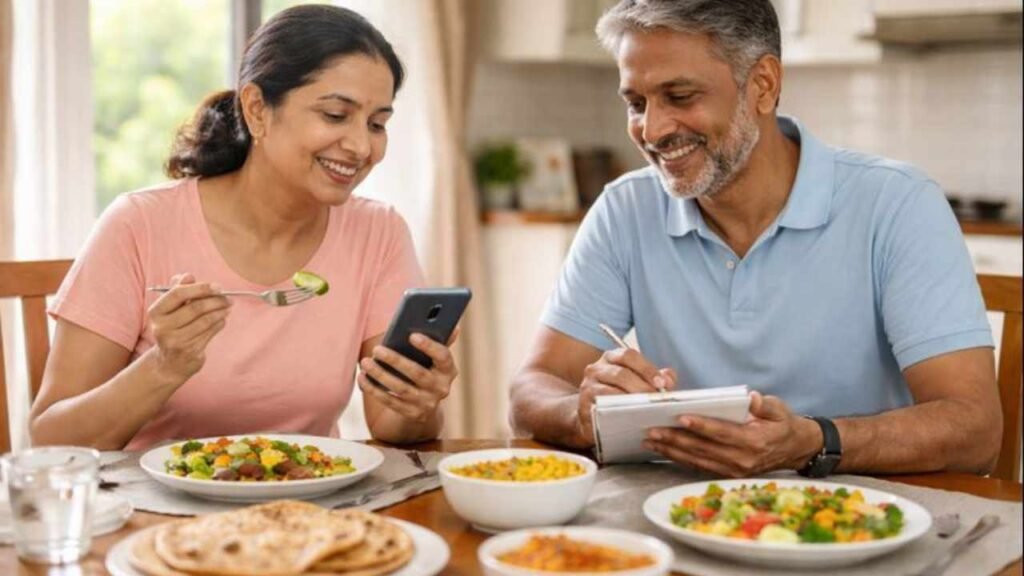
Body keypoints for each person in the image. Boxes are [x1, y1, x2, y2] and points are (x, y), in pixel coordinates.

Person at [509, 0, 1001, 477]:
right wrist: (579, 411)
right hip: (680, 518)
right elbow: (529, 391)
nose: (652, 129)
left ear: (763, 85)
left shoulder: (898, 204)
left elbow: (976, 431)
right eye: (636, 103)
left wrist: (814, 442)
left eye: (680, 97)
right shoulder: (625, 209)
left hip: (859, 523)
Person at [30, 5, 459, 450]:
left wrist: (420, 404)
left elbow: (392, 426)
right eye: (335, 115)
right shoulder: (138, 225)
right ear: (257, 109)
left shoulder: (378, 232)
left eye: (377, 124)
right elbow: (53, 439)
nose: (360, 146)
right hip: (154, 512)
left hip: (309, 511)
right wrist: (164, 366)